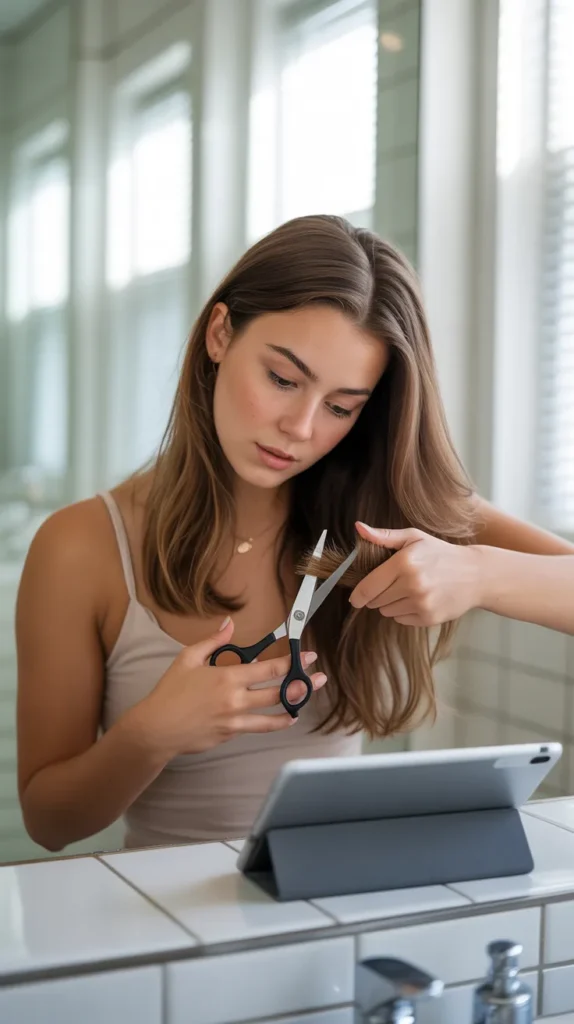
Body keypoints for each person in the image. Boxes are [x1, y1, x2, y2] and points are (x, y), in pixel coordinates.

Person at [15, 215, 574, 853]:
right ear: (221, 334)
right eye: (283, 379)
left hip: (334, 921)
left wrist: (482, 574)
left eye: (341, 406)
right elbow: (49, 822)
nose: (301, 427)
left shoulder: (384, 505)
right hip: (163, 926)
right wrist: (151, 734)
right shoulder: (79, 547)